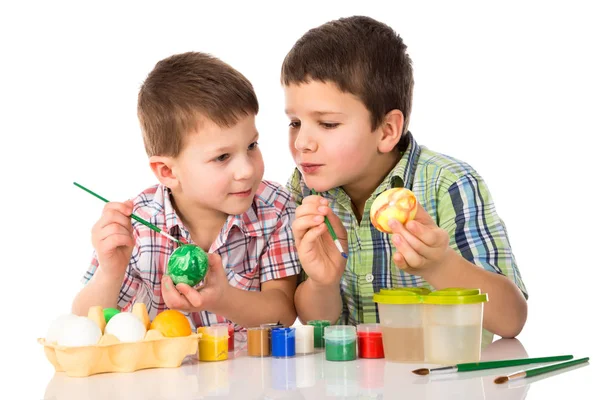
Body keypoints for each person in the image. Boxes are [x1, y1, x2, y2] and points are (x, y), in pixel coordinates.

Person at [284, 16, 527, 338]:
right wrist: (322, 281)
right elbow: (319, 323)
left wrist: (439, 264)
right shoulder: (305, 192)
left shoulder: (448, 183)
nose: (302, 142)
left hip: (440, 381)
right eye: (294, 122)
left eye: (327, 124)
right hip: (349, 385)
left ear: (387, 131)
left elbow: (511, 321)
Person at [72, 52, 300, 329]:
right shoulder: (138, 226)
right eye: (222, 157)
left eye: (252, 146)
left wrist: (222, 299)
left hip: (250, 371)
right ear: (167, 172)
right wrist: (110, 271)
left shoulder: (274, 209)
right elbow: (83, 325)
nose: (247, 171)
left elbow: (283, 311)